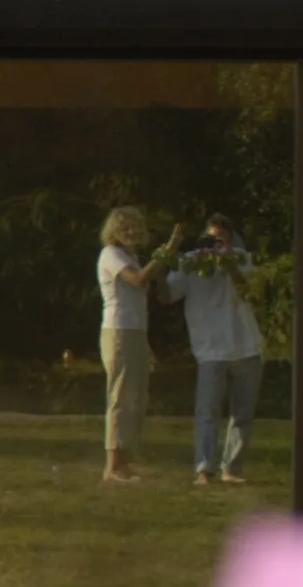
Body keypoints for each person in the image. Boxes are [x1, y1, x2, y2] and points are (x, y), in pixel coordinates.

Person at [167, 212, 266, 487]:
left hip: (246, 344)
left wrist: (228, 262)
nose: (214, 245)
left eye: (221, 239)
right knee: (208, 411)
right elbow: (167, 295)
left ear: (231, 239)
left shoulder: (241, 258)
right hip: (209, 348)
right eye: (210, 239)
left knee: (243, 414)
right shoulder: (190, 262)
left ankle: (231, 468)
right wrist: (167, 257)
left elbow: (251, 292)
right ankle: (204, 469)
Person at [96, 208, 157, 482]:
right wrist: (165, 255)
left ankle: (126, 461)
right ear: (114, 232)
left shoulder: (131, 257)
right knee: (119, 397)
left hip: (135, 331)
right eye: (125, 229)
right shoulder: (111, 253)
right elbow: (138, 280)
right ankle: (111, 466)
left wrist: (145, 343)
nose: (131, 233)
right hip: (118, 330)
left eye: (135, 228)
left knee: (136, 398)